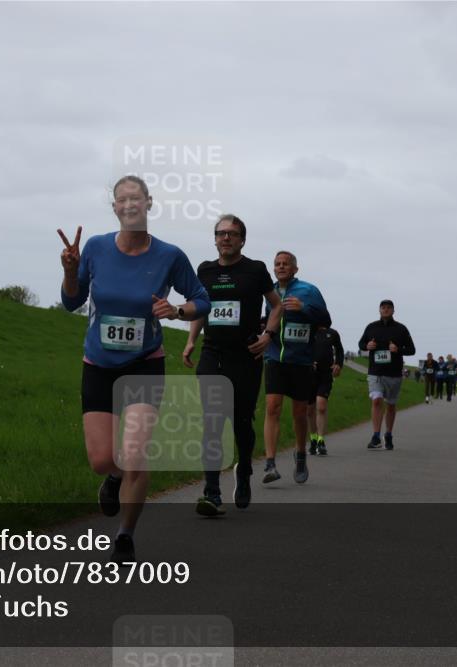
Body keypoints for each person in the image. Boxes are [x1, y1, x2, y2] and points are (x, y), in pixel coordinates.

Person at [59, 175, 210, 562]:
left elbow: (201, 300)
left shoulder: (169, 255)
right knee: (103, 460)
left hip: (144, 364)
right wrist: (71, 271)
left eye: (136, 198)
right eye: (122, 199)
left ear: (148, 203)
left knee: (136, 453)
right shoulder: (94, 248)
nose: (129, 204)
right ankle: (112, 478)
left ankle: (126, 534)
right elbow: (71, 302)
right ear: (114, 208)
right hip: (99, 364)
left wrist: (177, 311)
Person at [183, 214, 282, 516]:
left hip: (246, 356)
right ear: (214, 239)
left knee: (241, 422)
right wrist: (191, 340)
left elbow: (276, 304)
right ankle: (212, 493)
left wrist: (268, 335)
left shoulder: (255, 270)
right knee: (213, 422)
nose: (226, 238)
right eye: (220, 233)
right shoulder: (205, 270)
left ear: (242, 239)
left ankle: (244, 472)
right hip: (213, 355)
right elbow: (201, 307)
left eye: (232, 233)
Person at [263, 251, 329, 483]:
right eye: (277, 264)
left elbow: (325, 320)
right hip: (275, 358)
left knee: (300, 413)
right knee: (272, 407)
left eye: (285, 264)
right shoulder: (268, 291)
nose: (281, 267)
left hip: (301, 360)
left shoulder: (309, 291)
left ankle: (301, 455)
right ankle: (270, 464)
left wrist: (303, 308)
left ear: (295, 269)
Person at [358, 300, 416, 450]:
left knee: (390, 404)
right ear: (379, 310)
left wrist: (398, 349)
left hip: (394, 373)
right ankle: (376, 435)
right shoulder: (371, 327)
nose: (385, 310)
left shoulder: (401, 329)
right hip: (375, 372)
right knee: (376, 401)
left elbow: (412, 350)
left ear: (393, 311)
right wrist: (367, 346)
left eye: (389, 308)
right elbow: (361, 344)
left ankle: (388, 434)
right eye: (383, 307)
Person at [311, 314, 344, 456]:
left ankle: (321, 440)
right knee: (309, 409)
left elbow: (340, 350)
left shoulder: (333, 333)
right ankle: (312, 439)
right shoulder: (309, 331)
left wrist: (338, 364)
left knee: (321, 406)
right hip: (309, 373)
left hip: (326, 373)